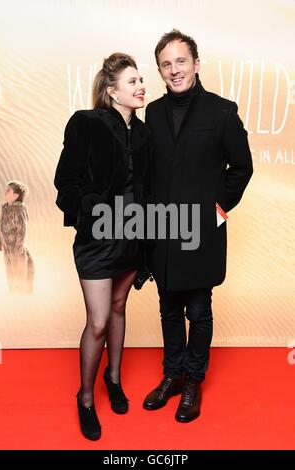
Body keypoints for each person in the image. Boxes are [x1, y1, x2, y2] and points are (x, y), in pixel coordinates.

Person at [143, 30, 253, 422]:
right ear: (160, 70)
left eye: (181, 61)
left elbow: (242, 168)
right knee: (168, 308)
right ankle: (171, 376)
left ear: (196, 64)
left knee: (199, 310)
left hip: (202, 232)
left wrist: (216, 213)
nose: (174, 70)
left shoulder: (222, 111)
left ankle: (193, 380)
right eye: (166, 64)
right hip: (163, 231)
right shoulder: (152, 113)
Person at [54, 53, 151, 440]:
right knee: (96, 321)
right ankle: (85, 398)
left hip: (133, 239)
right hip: (97, 240)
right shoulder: (86, 123)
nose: (141, 86)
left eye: (141, 79)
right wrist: (90, 216)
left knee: (117, 307)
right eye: (132, 81)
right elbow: (66, 182)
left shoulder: (144, 133)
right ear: (111, 91)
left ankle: (113, 379)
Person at [0, 181, 34, 294]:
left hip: (17, 249)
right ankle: (14, 296)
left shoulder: (19, 209)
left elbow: (22, 229)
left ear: (16, 195)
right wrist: (0, 241)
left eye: (8, 190)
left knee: (19, 274)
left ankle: (22, 298)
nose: (5, 192)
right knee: (10, 274)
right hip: (7, 249)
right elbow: (1, 226)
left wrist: (19, 246)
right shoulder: (5, 208)